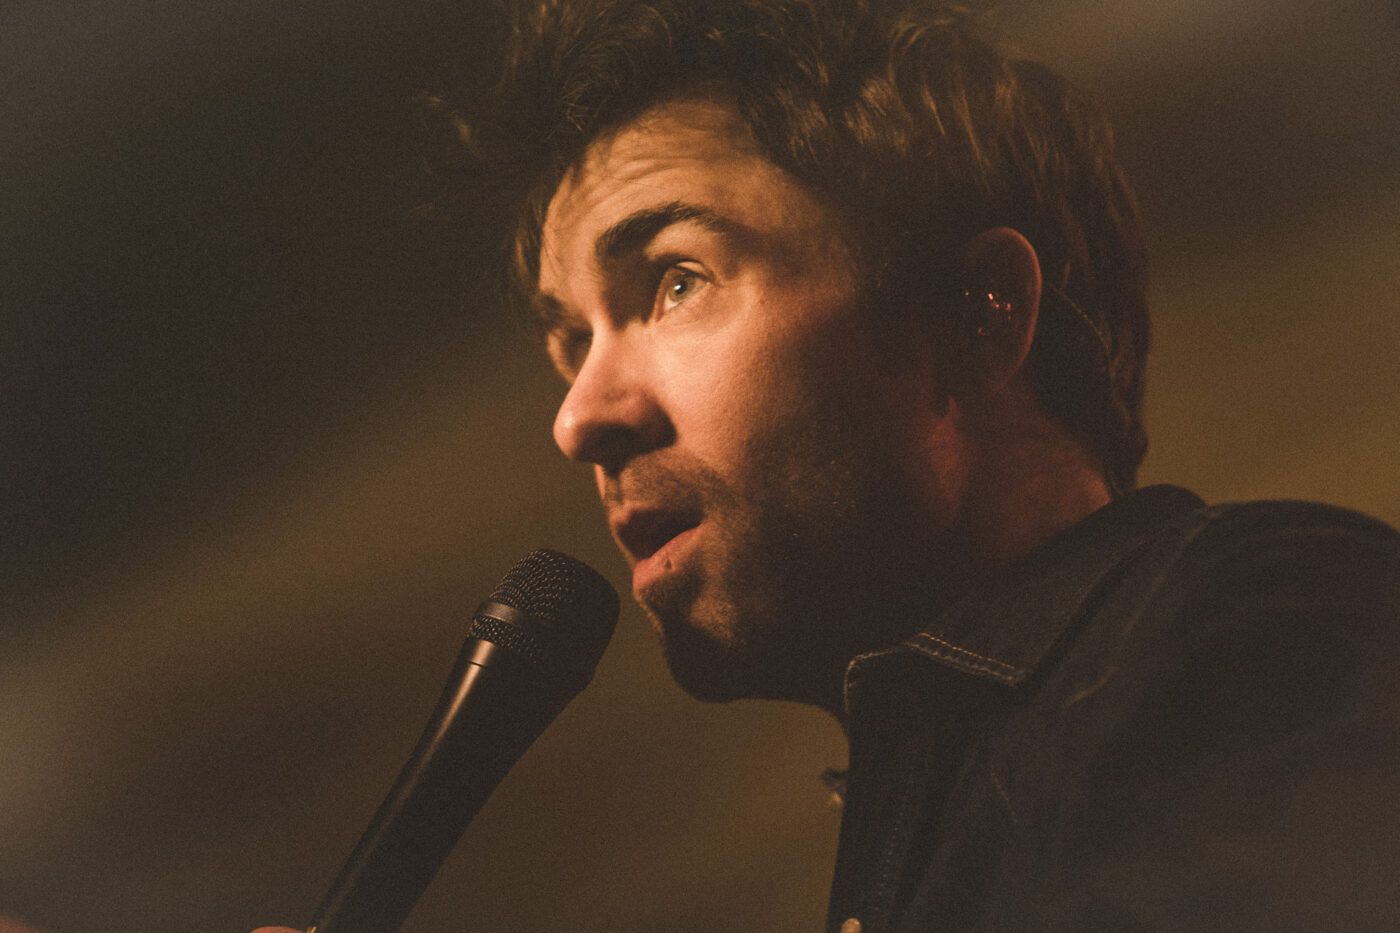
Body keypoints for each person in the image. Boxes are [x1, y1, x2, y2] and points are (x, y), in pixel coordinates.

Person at [261, 1, 1400, 929]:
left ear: (973, 316)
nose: (578, 418)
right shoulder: (935, 814)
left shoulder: (1263, 616)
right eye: (571, 344)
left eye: (675, 281)